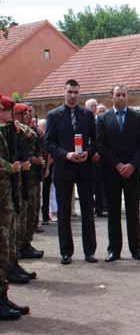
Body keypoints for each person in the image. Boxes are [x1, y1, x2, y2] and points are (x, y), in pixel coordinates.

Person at [45, 79, 99, 265]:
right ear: (64, 92)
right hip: (63, 168)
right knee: (64, 212)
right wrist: (65, 154)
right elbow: (49, 143)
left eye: (76, 92)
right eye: (70, 92)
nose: (73, 95)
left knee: (87, 211)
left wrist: (88, 153)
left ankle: (89, 251)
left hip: (84, 168)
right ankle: (66, 252)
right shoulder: (54, 115)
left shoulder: (86, 114)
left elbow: (95, 140)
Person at [96, 85, 140, 262]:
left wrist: (132, 165)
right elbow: (101, 145)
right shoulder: (103, 118)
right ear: (112, 97)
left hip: (132, 172)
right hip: (111, 172)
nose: (120, 97)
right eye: (117, 95)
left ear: (127, 97)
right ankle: (114, 250)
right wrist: (117, 164)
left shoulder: (137, 117)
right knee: (113, 212)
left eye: (123, 95)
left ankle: (136, 249)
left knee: (133, 211)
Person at [0, 95, 30, 319]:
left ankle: (3, 296)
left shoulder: (6, 131)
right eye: (6, 111)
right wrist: (12, 167)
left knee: (7, 245)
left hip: (6, 198)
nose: (9, 116)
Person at [14, 104, 45, 259]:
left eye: (29, 113)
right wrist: (34, 160)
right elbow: (19, 154)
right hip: (23, 178)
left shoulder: (31, 130)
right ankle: (20, 246)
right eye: (25, 113)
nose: (28, 116)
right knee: (24, 213)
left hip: (33, 176)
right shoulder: (17, 131)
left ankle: (26, 243)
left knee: (33, 211)